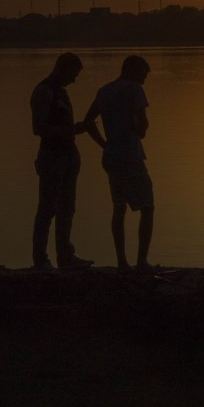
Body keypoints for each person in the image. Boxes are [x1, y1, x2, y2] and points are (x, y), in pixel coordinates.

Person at [82, 55, 156, 272]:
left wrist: (104, 145)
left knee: (118, 208)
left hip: (111, 156)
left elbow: (88, 123)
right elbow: (143, 124)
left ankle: (122, 262)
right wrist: (140, 130)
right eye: (143, 74)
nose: (144, 80)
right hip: (131, 156)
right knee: (148, 207)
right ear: (133, 70)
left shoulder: (103, 90)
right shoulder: (134, 89)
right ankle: (142, 261)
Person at [30, 52, 93, 270]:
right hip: (52, 157)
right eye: (74, 73)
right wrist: (71, 131)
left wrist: (74, 131)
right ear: (64, 69)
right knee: (47, 208)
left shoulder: (62, 93)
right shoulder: (43, 91)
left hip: (68, 156)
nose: (75, 79)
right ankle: (40, 258)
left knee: (67, 208)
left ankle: (65, 256)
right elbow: (39, 128)